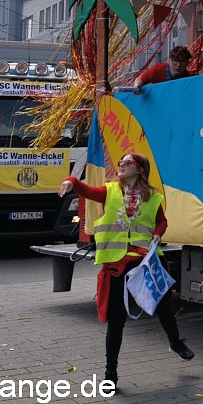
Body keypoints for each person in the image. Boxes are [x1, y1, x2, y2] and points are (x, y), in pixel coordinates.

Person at [58, 153, 193, 388]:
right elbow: (87, 191)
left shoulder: (152, 197)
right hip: (117, 264)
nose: (121, 165)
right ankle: (110, 374)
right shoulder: (110, 191)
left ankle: (175, 343)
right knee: (117, 320)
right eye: (120, 162)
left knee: (163, 306)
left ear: (140, 169)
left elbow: (161, 221)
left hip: (145, 261)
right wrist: (72, 181)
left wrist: (158, 234)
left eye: (127, 163)